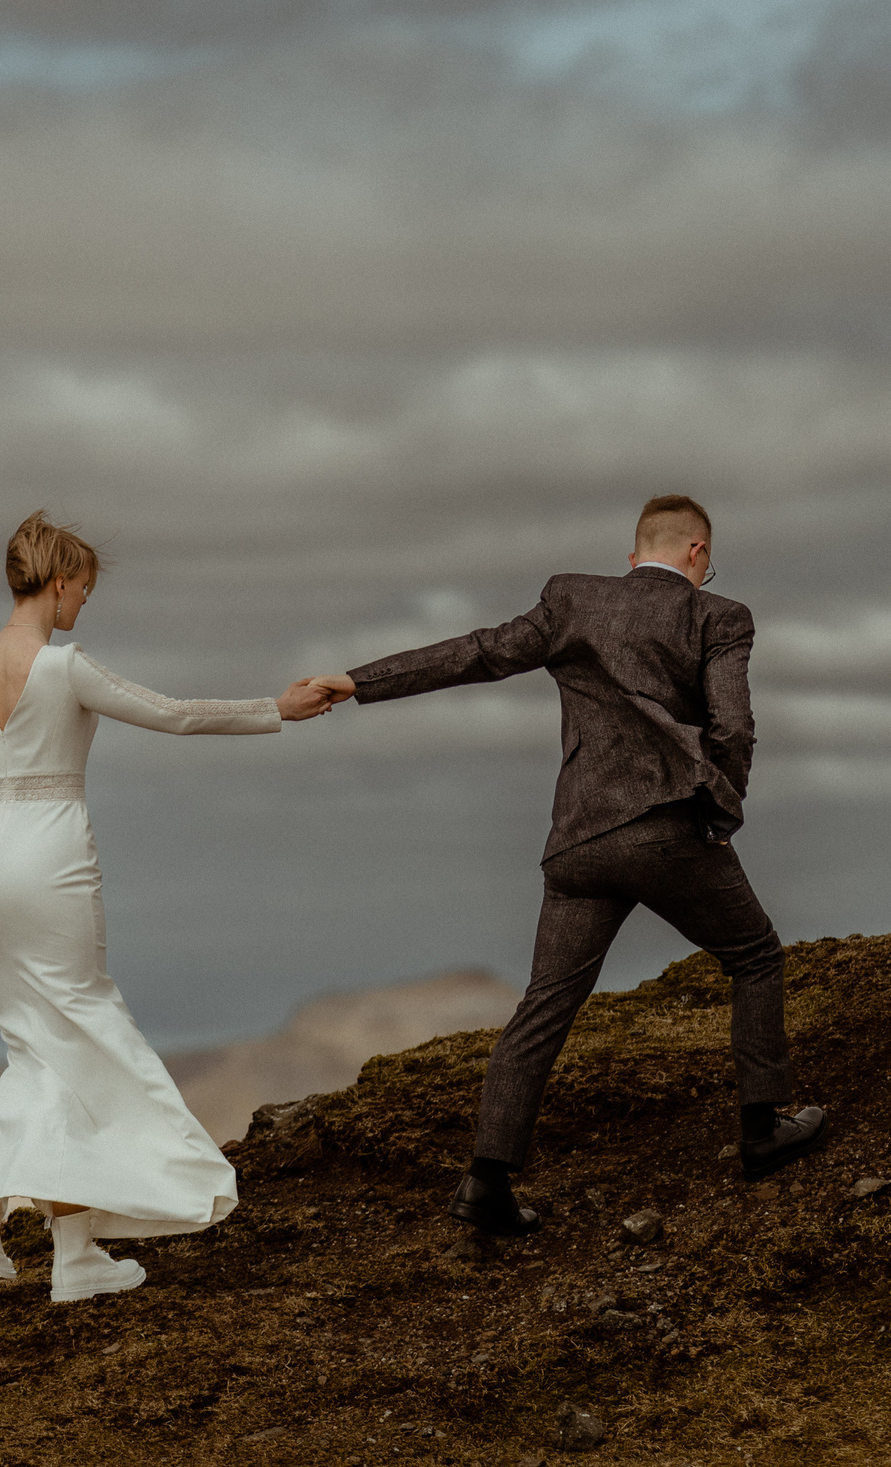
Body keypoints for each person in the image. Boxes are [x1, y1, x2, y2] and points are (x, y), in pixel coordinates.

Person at [306, 494, 825, 1236]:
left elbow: (479, 651)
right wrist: (721, 807)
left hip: (579, 844)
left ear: (632, 551)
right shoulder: (719, 617)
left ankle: (486, 1181)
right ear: (699, 554)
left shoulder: (571, 597)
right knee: (756, 955)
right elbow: (733, 724)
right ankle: (764, 1128)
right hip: (664, 830)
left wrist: (358, 680)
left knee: (543, 1005)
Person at [0, 511, 333, 1301]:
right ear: (58, 583)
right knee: (86, 1026)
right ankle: (60, 1243)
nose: (84, 603)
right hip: (47, 861)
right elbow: (176, 714)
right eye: (83, 587)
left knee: (40, 1046)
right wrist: (277, 710)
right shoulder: (63, 664)